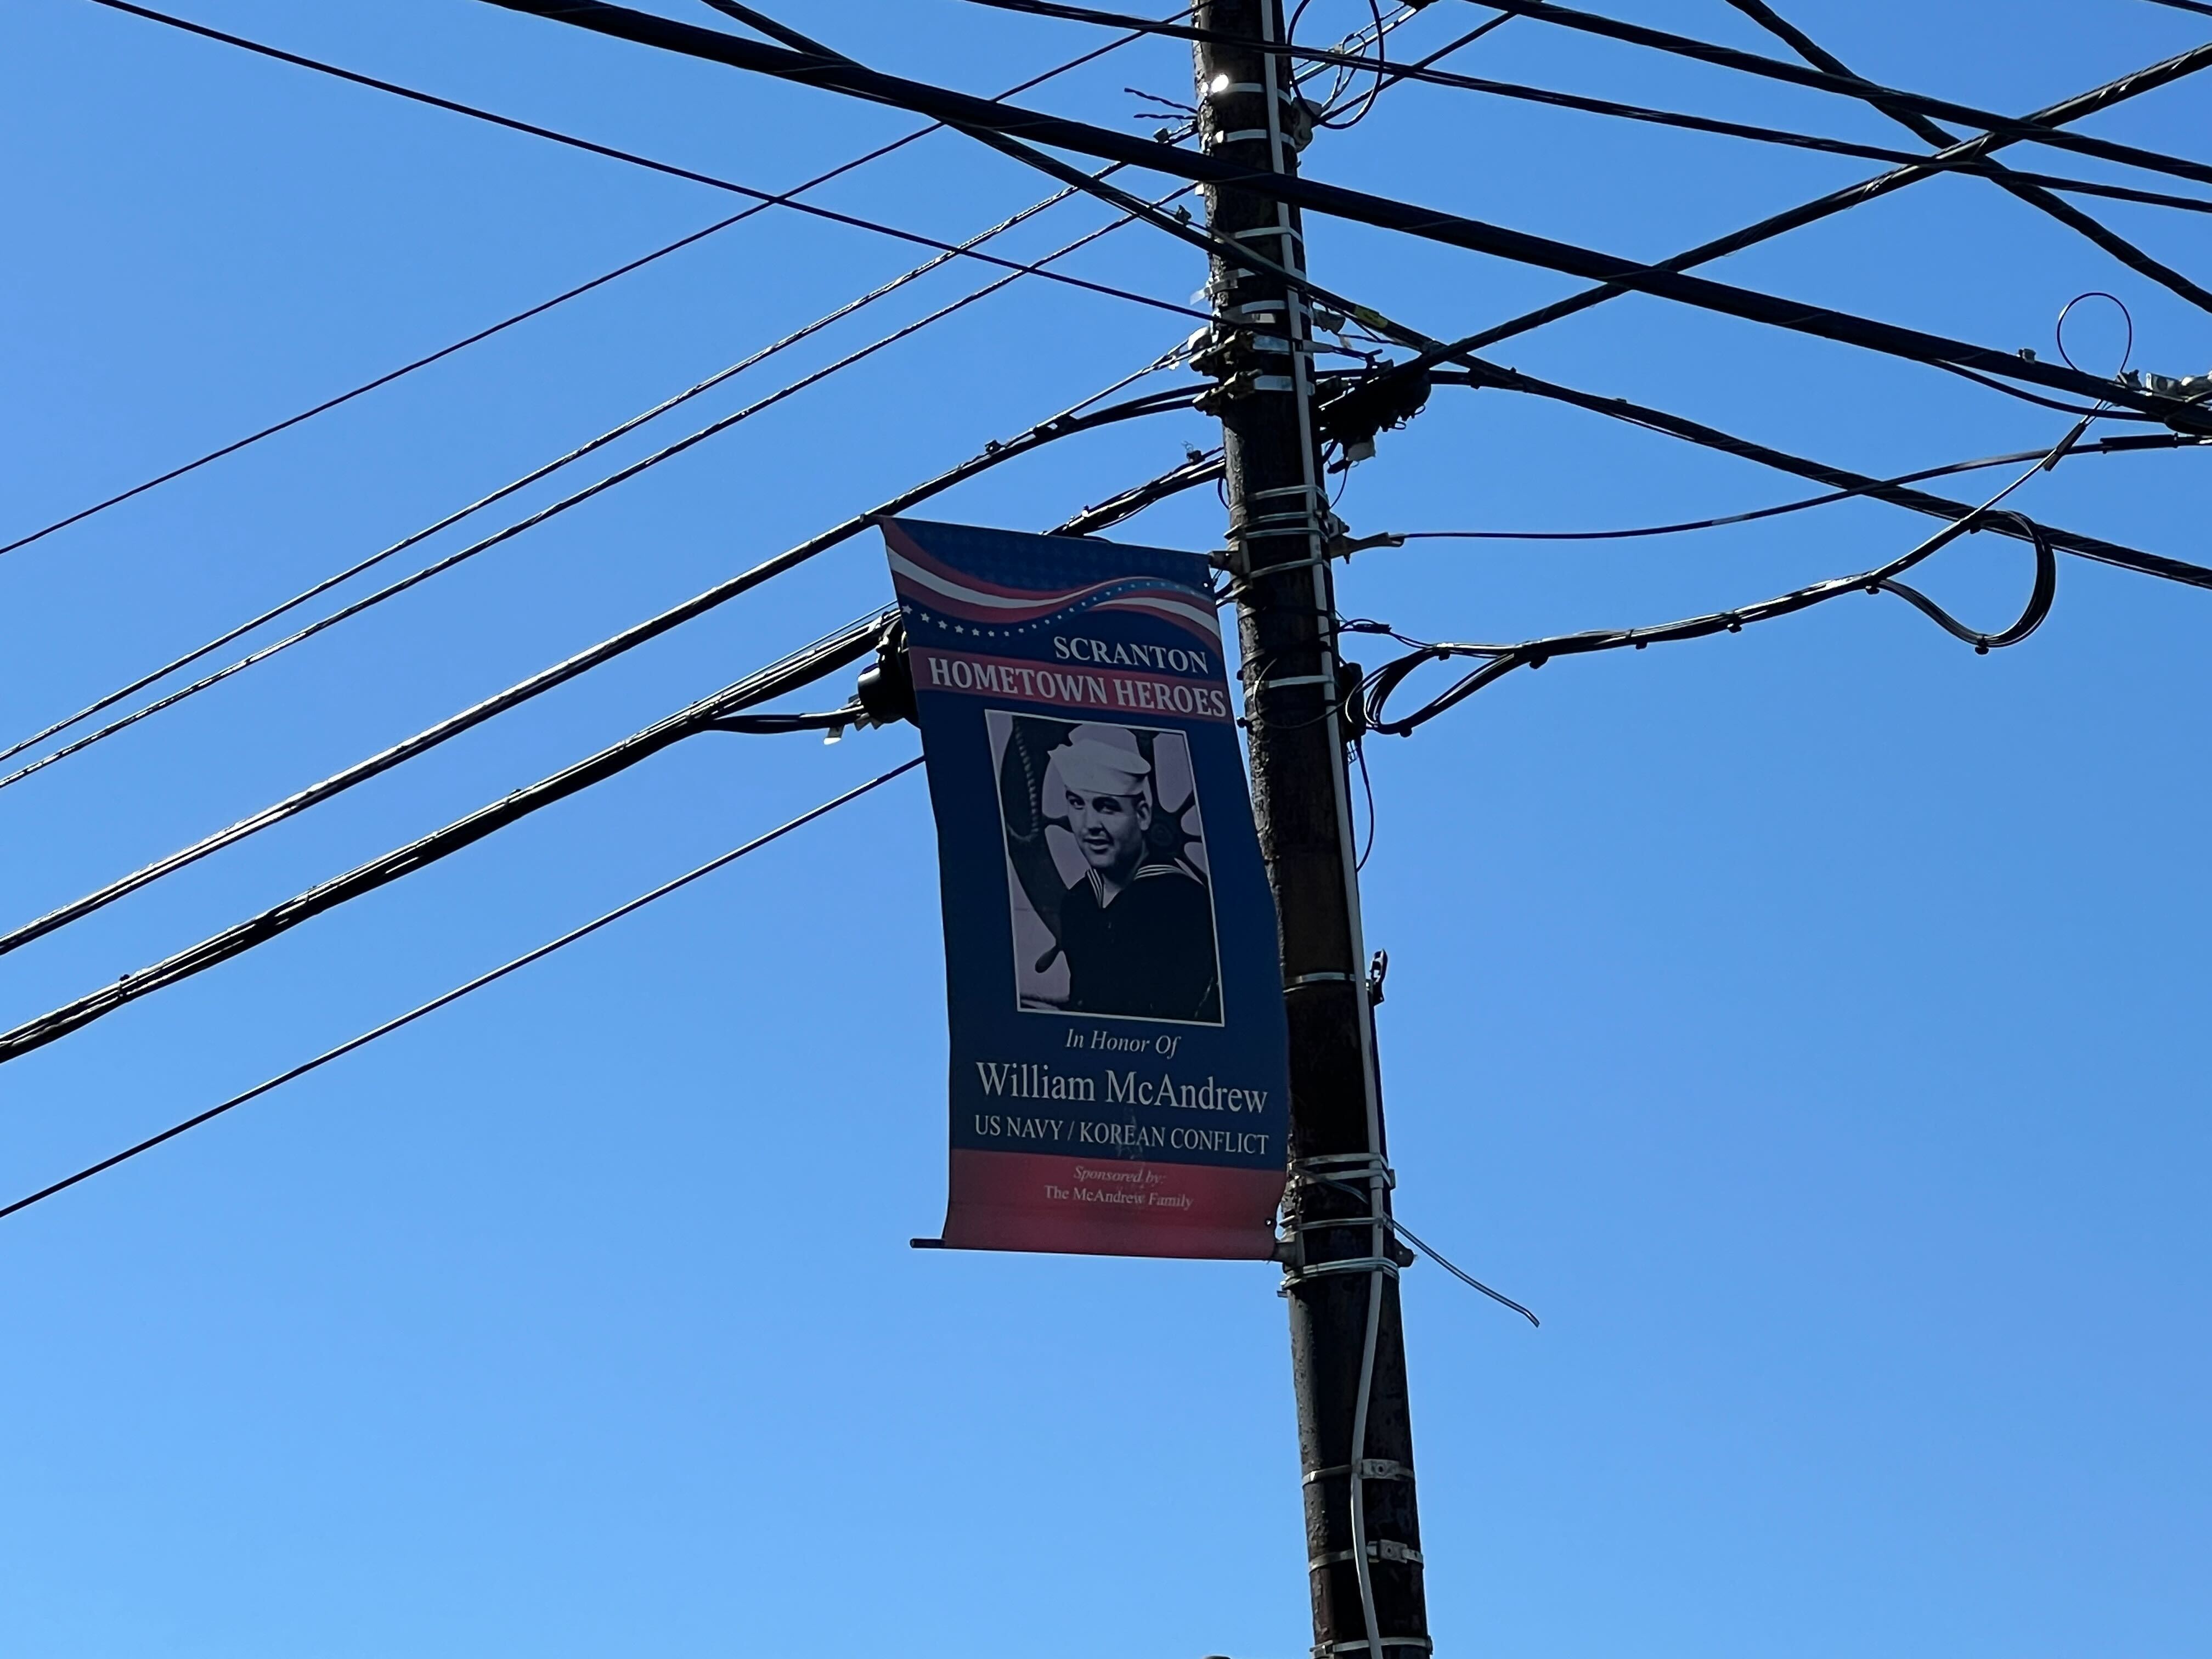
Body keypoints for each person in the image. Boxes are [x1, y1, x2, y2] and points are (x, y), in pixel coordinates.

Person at [1049, 725, 1221, 1023]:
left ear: (1142, 815)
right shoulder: (1078, 903)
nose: (1089, 825)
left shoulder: (1182, 901)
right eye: (1077, 804)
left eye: (1107, 808)